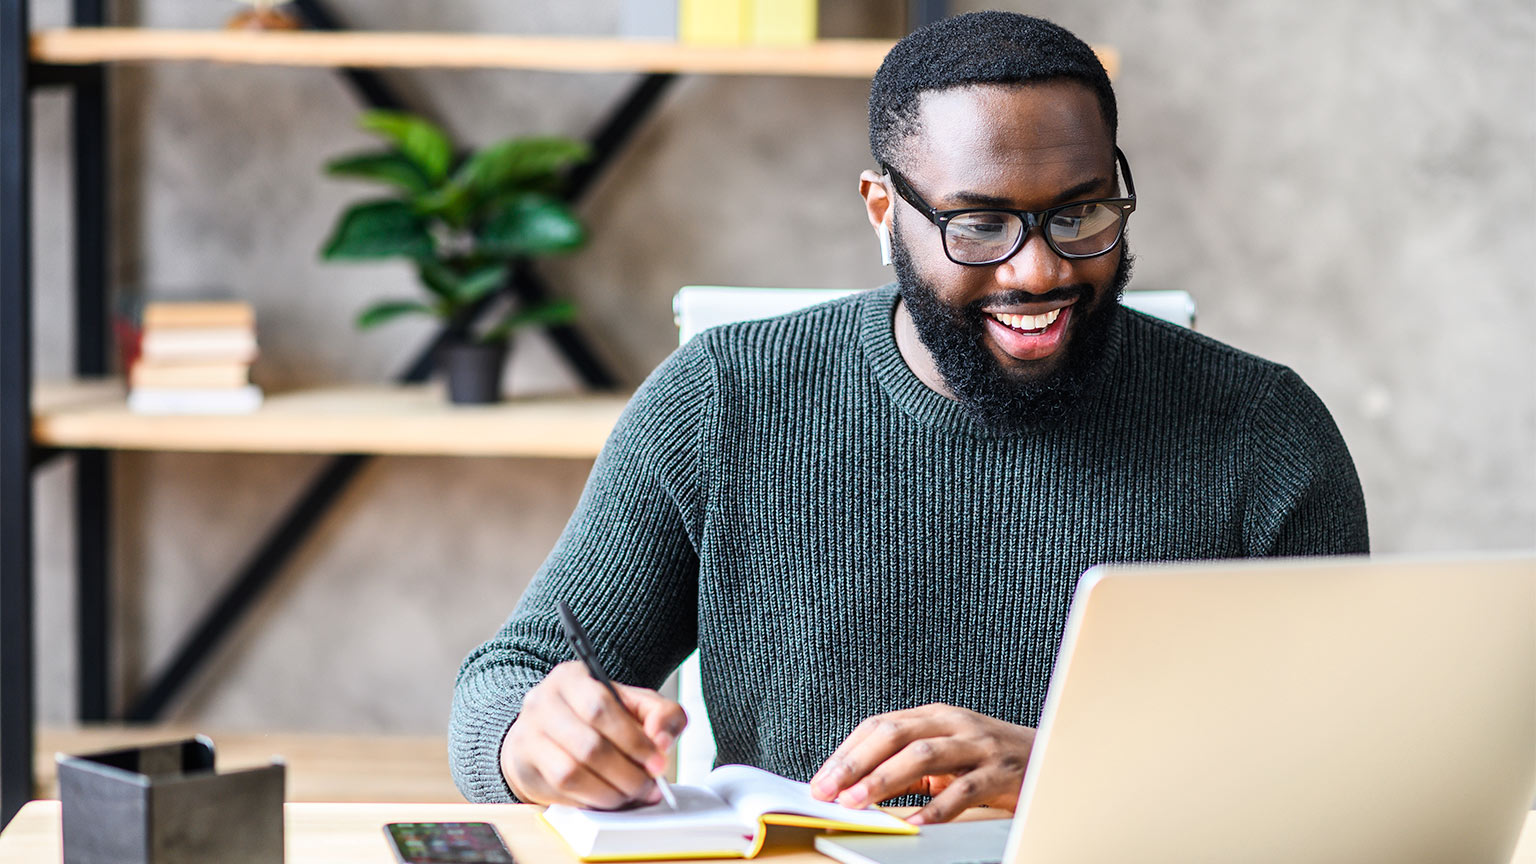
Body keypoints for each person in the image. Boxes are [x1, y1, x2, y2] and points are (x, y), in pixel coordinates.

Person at [449, 11, 1369, 825]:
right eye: (977, 225)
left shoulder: (1264, 431)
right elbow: (502, 687)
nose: (1037, 272)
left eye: (1080, 214)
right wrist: (535, 741)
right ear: (884, 212)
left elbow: (1355, 761)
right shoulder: (723, 400)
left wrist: (1056, 767)